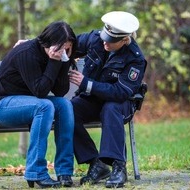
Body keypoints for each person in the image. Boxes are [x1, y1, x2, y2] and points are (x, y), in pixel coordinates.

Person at [0, 21, 77, 188]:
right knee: (45, 106)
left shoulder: (59, 55)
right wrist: (55, 62)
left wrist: (64, 61)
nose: (63, 52)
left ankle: (64, 172)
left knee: (64, 105)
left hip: (28, 103)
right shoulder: (27, 53)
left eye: (67, 48)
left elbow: (60, 91)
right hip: (0, 104)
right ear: (48, 43)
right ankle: (36, 172)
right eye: (61, 48)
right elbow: (40, 92)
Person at [69, 11, 147, 188]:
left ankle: (119, 167)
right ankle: (95, 164)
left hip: (121, 103)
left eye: (110, 40)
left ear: (124, 40)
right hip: (93, 100)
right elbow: (68, 42)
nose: (105, 42)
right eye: (105, 36)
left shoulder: (136, 59)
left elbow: (120, 92)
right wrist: (35, 43)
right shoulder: (95, 39)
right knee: (67, 110)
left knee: (111, 108)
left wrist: (87, 84)